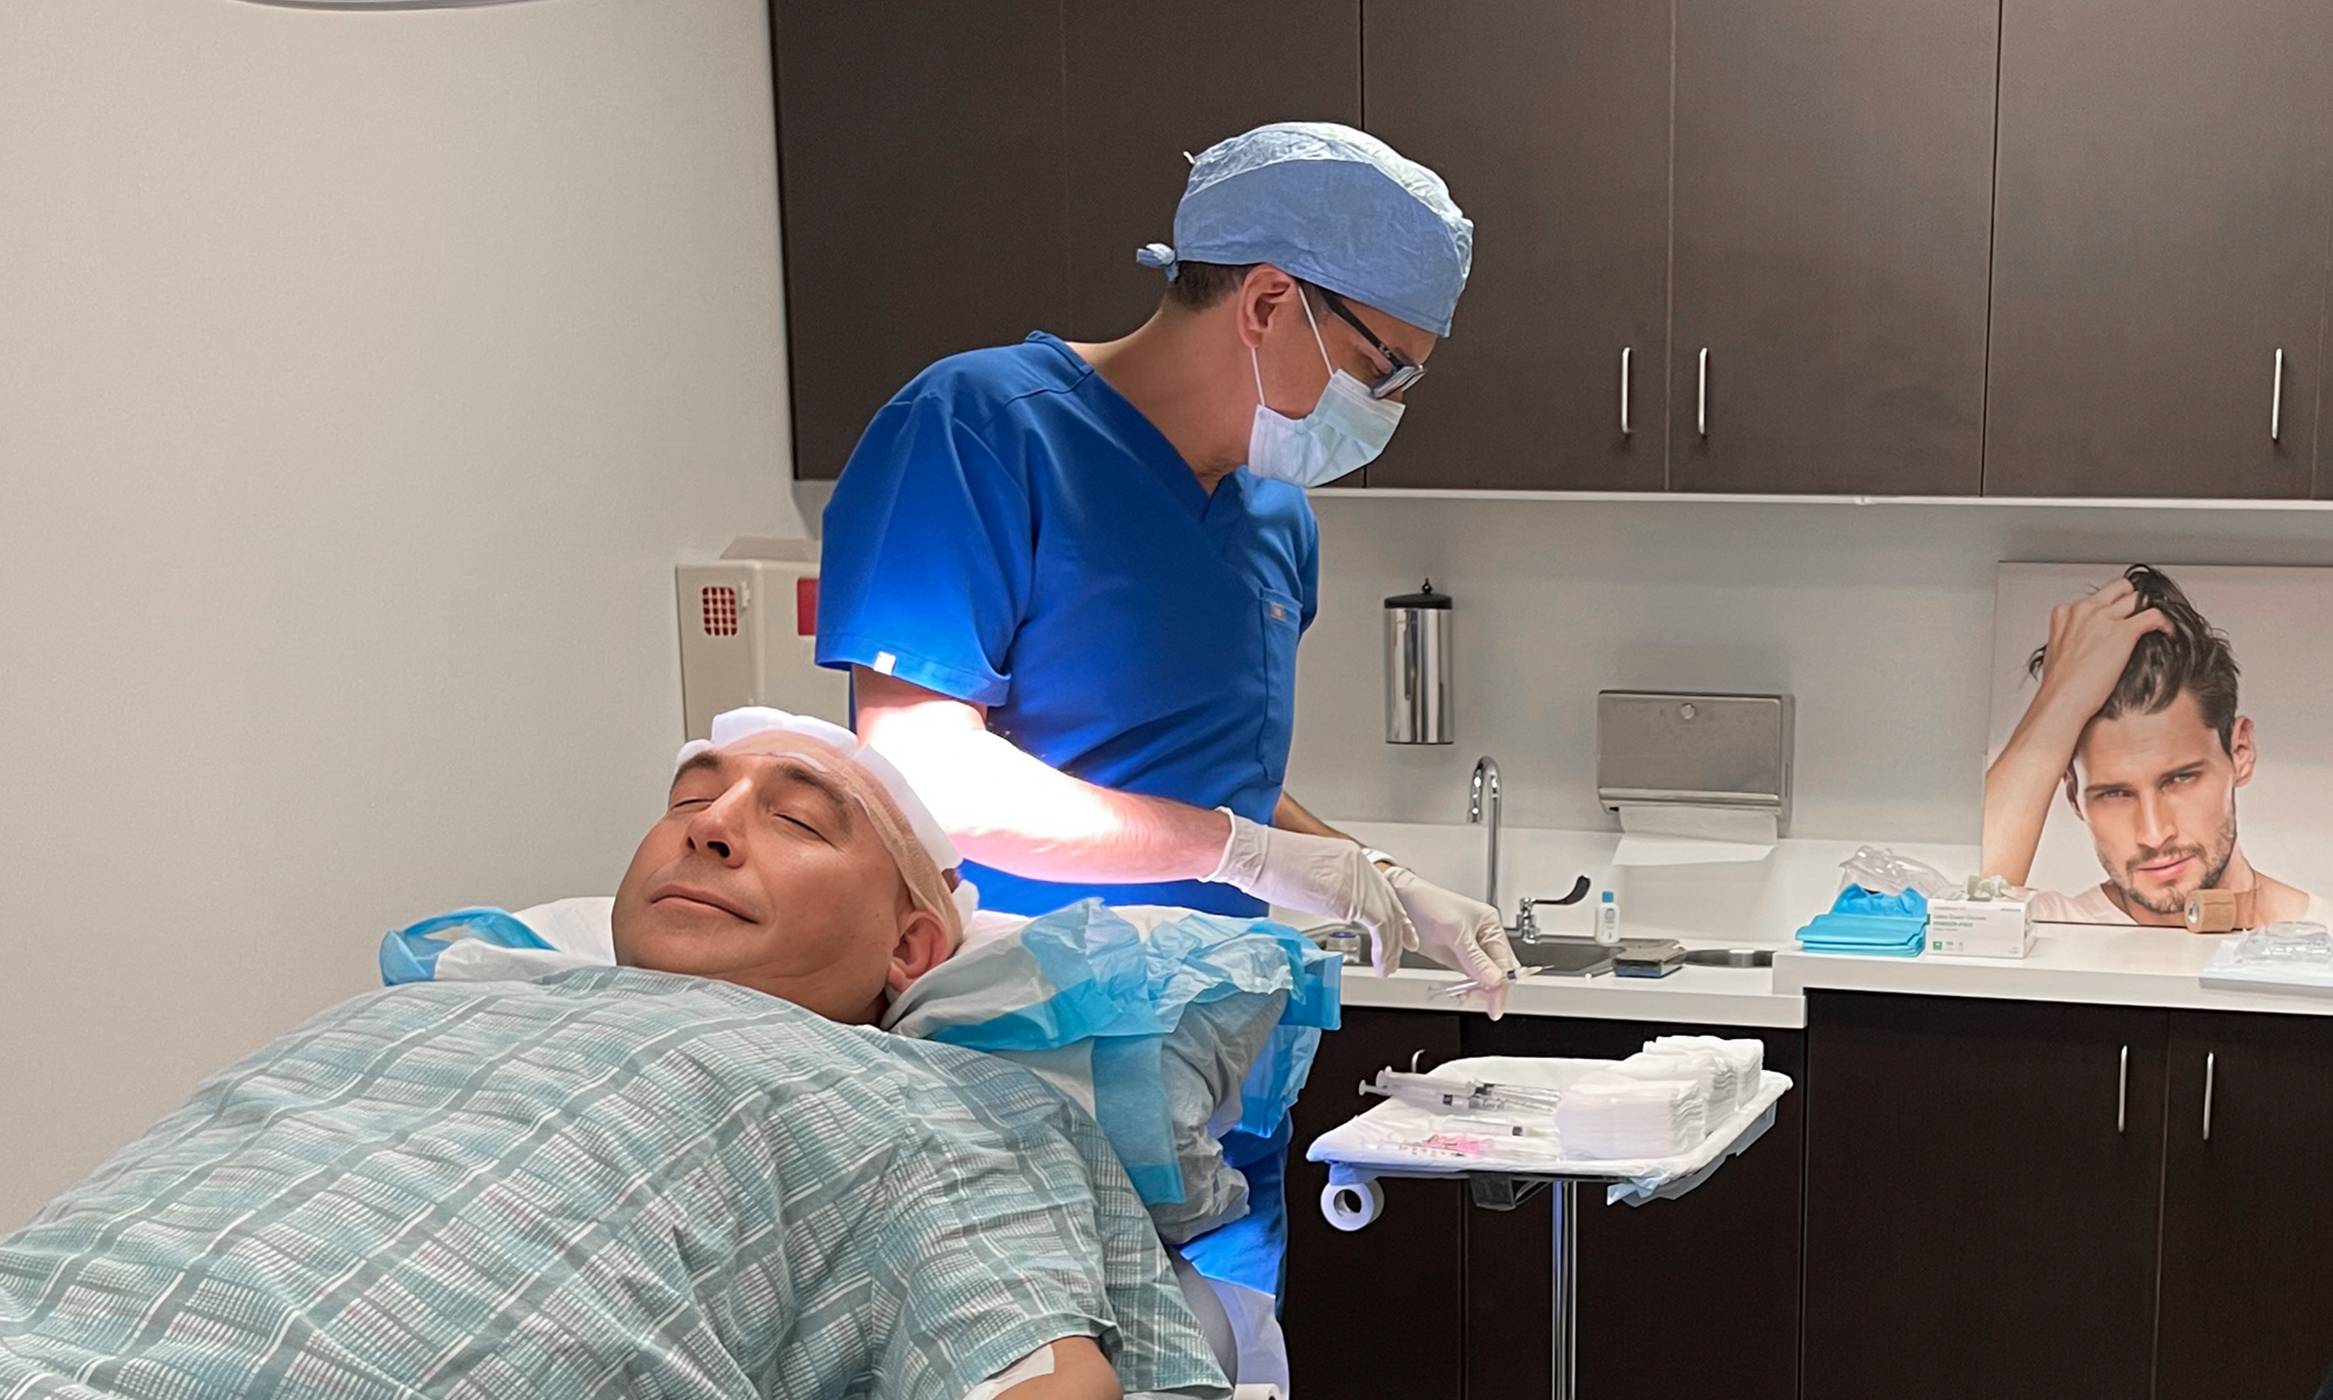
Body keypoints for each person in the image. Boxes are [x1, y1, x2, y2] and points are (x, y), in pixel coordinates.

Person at [813, 120, 1514, 1327]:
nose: (1390, 404)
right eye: (1383, 366)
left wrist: (1365, 871)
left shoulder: (1271, 516)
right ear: (1267, 302)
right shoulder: (979, 428)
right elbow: (928, 773)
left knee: (1220, 1359)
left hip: (1213, 1088)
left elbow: (1214, 780)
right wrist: (1241, 852)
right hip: (1018, 1084)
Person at [0, 711, 1227, 1400]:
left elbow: (1033, 1380)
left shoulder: (930, 1100)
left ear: (910, 945)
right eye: (692, 798)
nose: (711, 826)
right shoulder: (411, 1010)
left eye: (796, 815)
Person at [1982, 565, 2329, 927]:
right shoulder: (2052, 933)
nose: (2154, 834)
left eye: (2180, 779)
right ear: (2072, 794)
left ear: (2240, 753)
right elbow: (1959, 919)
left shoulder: (2325, 937)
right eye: (2115, 793)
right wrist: (2061, 698)